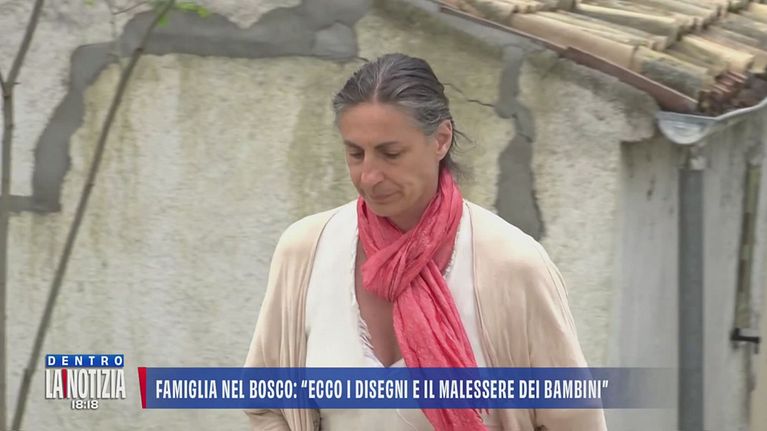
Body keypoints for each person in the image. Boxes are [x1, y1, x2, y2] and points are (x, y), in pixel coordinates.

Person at [244, 53, 607, 431]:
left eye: (391, 154)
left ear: (441, 140)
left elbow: (575, 423)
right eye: (355, 153)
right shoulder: (306, 251)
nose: (369, 176)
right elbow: (267, 404)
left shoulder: (514, 267)